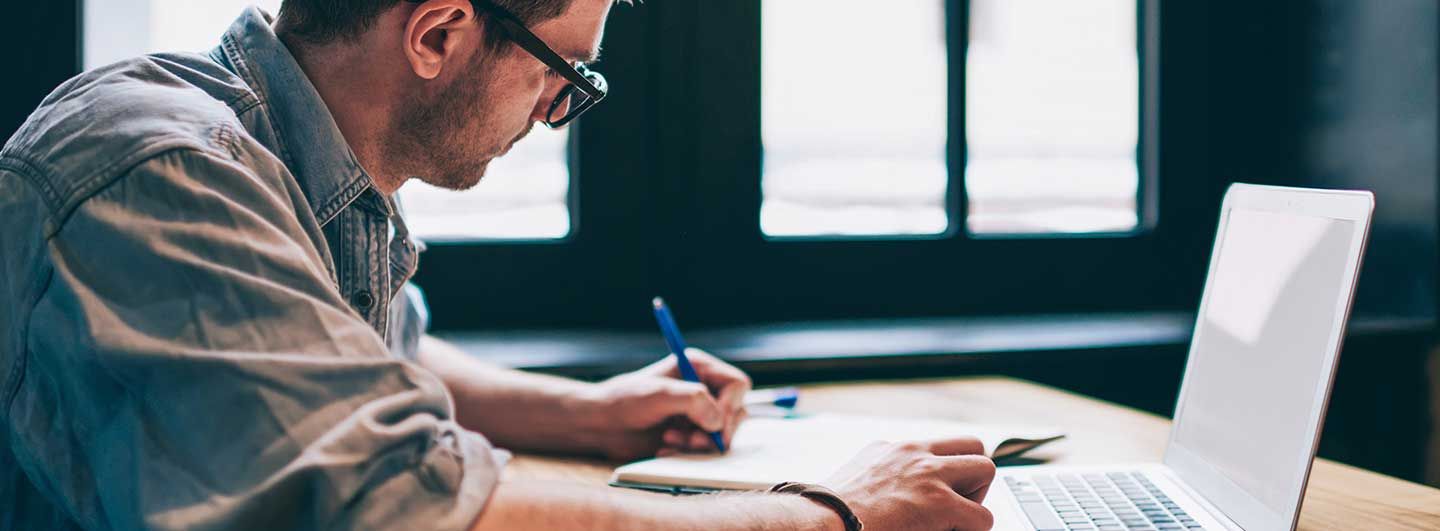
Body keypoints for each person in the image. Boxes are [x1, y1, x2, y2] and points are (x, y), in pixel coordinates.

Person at [0, 0, 997, 529]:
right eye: (566, 76)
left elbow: (374, 360)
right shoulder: (165, 173)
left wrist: (589, 412)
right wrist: (834, 516)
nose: (558, 114)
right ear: (439, 32)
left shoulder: (299, 161)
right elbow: (397, 507)